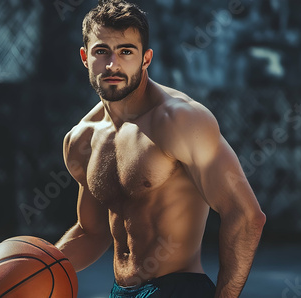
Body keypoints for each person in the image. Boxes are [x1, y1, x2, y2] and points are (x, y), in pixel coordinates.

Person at [55, 1, 266, 297]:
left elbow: (246, 215)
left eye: (126, 52)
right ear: (85, 57)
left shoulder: (180, 121)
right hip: (119, 291)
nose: (113, 64)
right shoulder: (82, 139)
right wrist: (34, 269)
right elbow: (92, 232)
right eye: (101, 51)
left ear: (146, 59)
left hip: (177, 288)